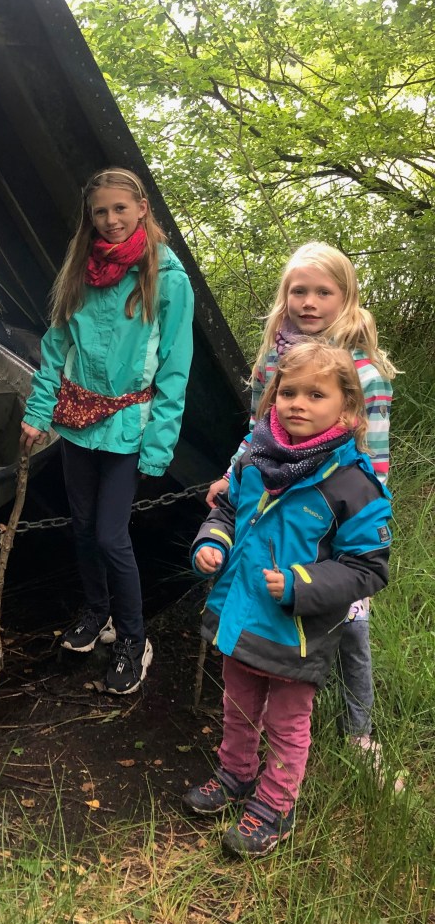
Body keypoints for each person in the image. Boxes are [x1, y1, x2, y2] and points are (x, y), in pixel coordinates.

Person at [186, 341, 392, 857]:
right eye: (289, 392)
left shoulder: (354, 485)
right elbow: (227, 510)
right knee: (237, 704)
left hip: (298, 632)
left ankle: (275, 806)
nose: (298, 403)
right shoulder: (255, 459)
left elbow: (368, 568)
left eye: (315, 395)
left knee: (286, 722)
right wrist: (212, 543)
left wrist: (303, 585)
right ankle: (236, 773)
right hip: (241, 615)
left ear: (347, 408)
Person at [205, 242, 396, 763]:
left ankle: (359, 730)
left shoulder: (365, 372)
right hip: (277, 506)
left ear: (347, 297)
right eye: (298, 291)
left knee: (350, 624)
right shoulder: (274, 360)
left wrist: (363, 522)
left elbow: (375, 458)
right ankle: (261, 709)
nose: (309, 302)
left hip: (336, 512)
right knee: (274, 603)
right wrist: (232, 475)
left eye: (323, 292)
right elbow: (259, 430)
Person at [20, 168, 195, 695]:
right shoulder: (80, 266)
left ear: (142, 208)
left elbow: (174, 368)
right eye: (101, 211)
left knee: (109, 535)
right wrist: (38, 412)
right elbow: (56, 348)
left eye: (121, 208)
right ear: (89, 216)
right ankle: (98, 614)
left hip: (128, 425)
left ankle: (134, 639)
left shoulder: (167, 276)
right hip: (78, 420)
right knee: (81, 526)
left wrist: (158, 446)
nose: (111, 219)